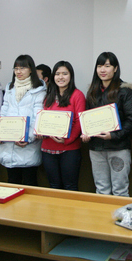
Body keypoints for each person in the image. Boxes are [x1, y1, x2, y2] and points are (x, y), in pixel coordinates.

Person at [84, 52, 132, 196]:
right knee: (101, 189)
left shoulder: (125, 91)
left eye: (107, 66)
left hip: (118, 147)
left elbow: (131, 120)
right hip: (96, 148)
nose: (103, 70)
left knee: (120, 189)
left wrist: (113, 136)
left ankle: (120, 213)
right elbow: (87, 117)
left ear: (115, 68)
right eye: (99, 66)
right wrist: (86, 133)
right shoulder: (92, 91)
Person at [0, 55, 46, 186]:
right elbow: (3, 112)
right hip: (9, 143)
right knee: (12, 182)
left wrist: (28, 138)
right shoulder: (10, 88)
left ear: (31, 69)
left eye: (22, 68)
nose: (19, 71)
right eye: (16, 68)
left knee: (29, 183)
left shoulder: (39, 89)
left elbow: (38, 117)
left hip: (27, 145)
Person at [37, 61, 85, 191]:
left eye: (65, 73)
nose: (61, 77)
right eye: (57, 74)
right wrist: (40, 131)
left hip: (69, 149)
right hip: (48, 148)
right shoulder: (48, 95)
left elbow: (79, 121)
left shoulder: (77, 95)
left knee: (70, 186)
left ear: (71, 76)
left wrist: (67, 140)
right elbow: (44, 119)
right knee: (54, 187)